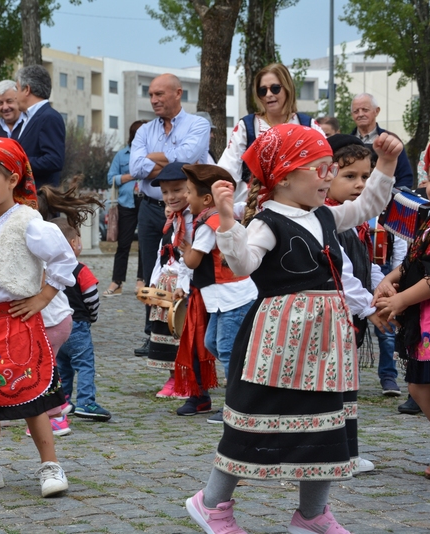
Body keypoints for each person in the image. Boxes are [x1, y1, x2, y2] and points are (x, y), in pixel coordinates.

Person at [185, 124, 400, 534]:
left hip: (326, 341)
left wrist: (386, 164)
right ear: (284, 175)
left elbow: (368, 204)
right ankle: (212, 504)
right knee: (253, 420)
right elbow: (243, 264)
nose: (328, 177)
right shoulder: (267, 222)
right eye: (319, 168)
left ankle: (312, 515)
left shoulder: (325, 214)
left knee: (327, 422)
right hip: (278, 342)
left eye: (329, 168)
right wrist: (228, 220)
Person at [0, 137, 77, 498]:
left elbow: (63, 259)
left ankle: (50, 464)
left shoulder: (28, 221)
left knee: (30, 396)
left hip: (17, 321)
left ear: (12, 179)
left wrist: (44, 296)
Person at [375, 132, 430, 488]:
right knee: (420, 389)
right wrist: (390, 279)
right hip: (429, 322)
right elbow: (416, 261)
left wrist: (398, 301)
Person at [324, 134, 394, 474]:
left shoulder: (354, 224)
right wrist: (371, 307)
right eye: (349, 176)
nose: (360, 184)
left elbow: (366, 264)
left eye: (366, 177)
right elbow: (342, 276)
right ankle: (339, 454)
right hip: (335, 320)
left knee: (346, 390)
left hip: (352, 320)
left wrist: (383, 287)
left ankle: (346, 453)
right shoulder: (329, 221)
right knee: (335, 391)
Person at [130, 73, 210, 357]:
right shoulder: (144, 130)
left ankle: (189, 333)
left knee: (187, 268)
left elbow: (187, 158)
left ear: (178, 93)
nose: (154, 100)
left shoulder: (198, 124)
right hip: (151, 208)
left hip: (188, 211)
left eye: (159, 95)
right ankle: (153, 335)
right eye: (151, 95)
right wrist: (171, 158)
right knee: (155, 271)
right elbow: (135, 166)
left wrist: (154, 158)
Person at [176, 164, 257, 422]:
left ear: (207, 199)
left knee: (227, 349)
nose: (186, 198)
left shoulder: (209, 225)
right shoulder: (208, 220)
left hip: (232, 296)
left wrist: (185, 249)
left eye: (189, 192)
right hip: (222, 298)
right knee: (212, 343)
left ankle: (238, 405)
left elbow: (192, 261)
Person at [217, 63, 323, 203]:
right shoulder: (246, 126)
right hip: (253, 208)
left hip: (299, 207)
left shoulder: (309, 125)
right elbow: (227, 171)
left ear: (287, 89)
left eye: (275, 88)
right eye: (262, 90)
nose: (269, 95)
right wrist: (246, 202)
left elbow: (324, 167)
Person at [50, 218, 111, 421]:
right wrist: (92, 316)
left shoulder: (47, 270)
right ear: (74, 243)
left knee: (62, 365)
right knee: (84, 364)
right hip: (77, 324)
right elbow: (92, 296)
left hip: (56, 326)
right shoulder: (80, 269)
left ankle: (63, 400)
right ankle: (86, 402)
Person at [145, 162, 193, 397]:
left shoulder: (193, 220)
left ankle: (187, 379)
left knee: (183, 333)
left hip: (183, 286)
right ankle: (173, 377)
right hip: (167, 281)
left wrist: (183, 286)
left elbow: (190, 254)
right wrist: (154, 281)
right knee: (167, 332)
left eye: (177, 190)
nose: (170, 196)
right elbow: (162, 252)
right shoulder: (171, 219)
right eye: (165, 192)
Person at [104, 120, 146, 298]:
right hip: (126, 203)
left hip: (146, 201)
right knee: (123, 244)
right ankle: (117, 282)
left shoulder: (151, 154)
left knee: (145, 243)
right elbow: (110, 178)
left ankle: (141, 280)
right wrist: (129, 176)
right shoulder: (122, 155)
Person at [14, 65, 66, 189]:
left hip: (40, 200)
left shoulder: (49, 117)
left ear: (27, 89)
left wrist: (17, 162)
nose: (15, 96)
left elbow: (54, 160)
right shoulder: (27, 118)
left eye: (16, 89)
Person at [351, 92, 413, 189]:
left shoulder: (391, 140)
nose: (360, 114)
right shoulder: (347, 143)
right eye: (356, 111)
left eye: (365, 110)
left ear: (376, 111)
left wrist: (393, 199)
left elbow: (405, 177)